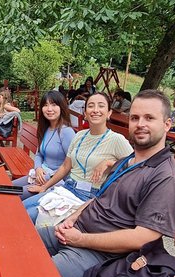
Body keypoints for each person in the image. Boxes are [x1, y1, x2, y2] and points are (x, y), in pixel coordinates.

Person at [38, 89, 175, 277]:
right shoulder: (128, 161)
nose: (140, 124)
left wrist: (79, 239)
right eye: (135, 117)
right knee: (14, 243)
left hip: (100, 256)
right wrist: (72, 218)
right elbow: (99, 198)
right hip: (74, 233)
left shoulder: (166, 177)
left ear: (167, 124)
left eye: (149, 118)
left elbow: (143, 239)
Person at [23, 92, 133, 223]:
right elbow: (65, 166)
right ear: (85, 113)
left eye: (101, 106)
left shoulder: (116, 139)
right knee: (21, 209)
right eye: (91, 106)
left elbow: (137, 166)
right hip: (67, 188)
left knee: (28, 219)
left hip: (88, 197)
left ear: (109, 113)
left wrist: (110, 163)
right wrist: (44, 187)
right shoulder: (79, 135)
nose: (96, 110)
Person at [12, 91, 76, 200]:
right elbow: (38, 154)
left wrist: (47, 179)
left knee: (12, 195)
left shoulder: (66, 132)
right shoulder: (45, 129)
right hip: (39, 175)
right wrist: (38, 168)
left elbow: (70, 166)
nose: (49, 109)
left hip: (55, 181)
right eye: (45, 105)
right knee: (6, 187)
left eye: (54, 105)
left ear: (62, 107)